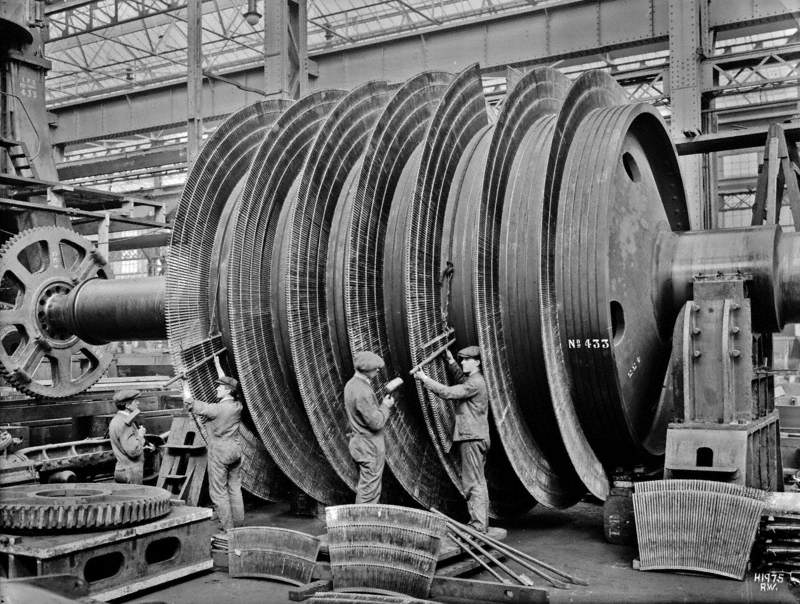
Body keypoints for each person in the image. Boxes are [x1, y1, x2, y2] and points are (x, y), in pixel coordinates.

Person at [414, 345, 489, 532]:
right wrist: (450, 361)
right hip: (476, 436)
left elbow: (448, 393)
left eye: (466, 360)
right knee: (477, 480)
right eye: (461, 359)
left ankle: (478, 526)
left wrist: (424, 379)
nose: (462, 362)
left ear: (477, 362)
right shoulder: (475, 380)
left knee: (473, 482)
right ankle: (479, 523)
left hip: (471, 437)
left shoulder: (475, 383)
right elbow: (462, 381)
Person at [183, 376, 244, 532]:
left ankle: (228, 530)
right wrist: (217, 365)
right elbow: (231, 384)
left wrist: (184, 383)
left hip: (220, 453)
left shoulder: (216, 409)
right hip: (235, 451)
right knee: (235, 488)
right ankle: (239, 525)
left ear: (228, 390)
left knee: (219, 493)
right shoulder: (237, 406)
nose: (216, 389)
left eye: (220, 387)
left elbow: (190, 403)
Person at [345, 351, 396, 504]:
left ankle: (364, 521)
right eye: (376, 368)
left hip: (359, 443)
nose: (378, 370)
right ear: (366, 369)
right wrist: (385, 407)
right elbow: (376, 423)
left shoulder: (351, 384)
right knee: (369, 493)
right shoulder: (363, 391)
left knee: (367, 487)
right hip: (369, 447)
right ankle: (362, 525)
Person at [109, 389, 146, 484]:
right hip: (131, 472)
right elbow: (134, 452)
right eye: (135, 401)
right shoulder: (125, 423)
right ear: (127, 405)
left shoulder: (116, 420)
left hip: (122, 469)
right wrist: (141, 436)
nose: (138, 403)